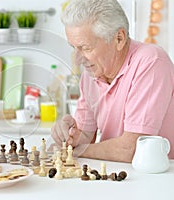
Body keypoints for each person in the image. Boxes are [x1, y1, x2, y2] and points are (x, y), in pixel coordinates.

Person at [51, 0, 174, 163]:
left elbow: (133, 149)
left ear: (119, 38)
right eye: (74, 48)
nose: (78, 59)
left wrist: (75, 151)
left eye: (86, 48)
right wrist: (68, 136)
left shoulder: (151, 62)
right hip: (115, 174)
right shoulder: (91, 73)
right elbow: (86, 136)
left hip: (157, 178)